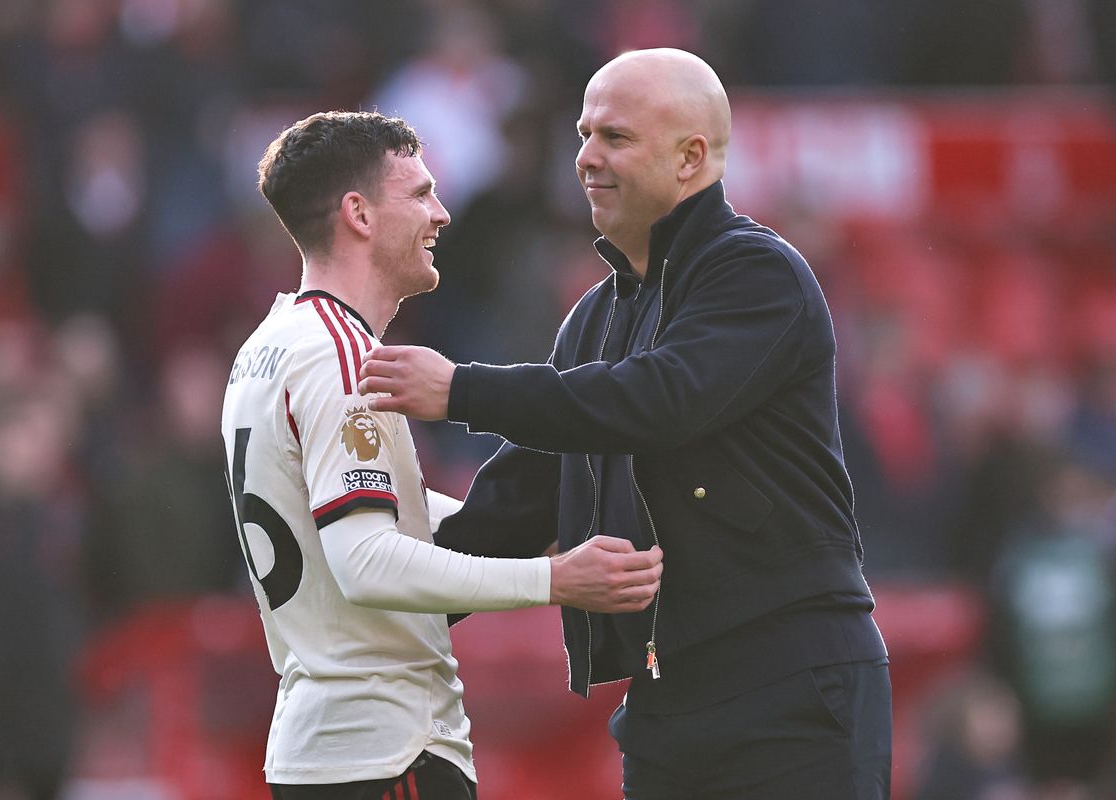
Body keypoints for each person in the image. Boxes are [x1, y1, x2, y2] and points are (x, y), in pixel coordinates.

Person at [359, 49, 892, 799]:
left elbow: (657, 401)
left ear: (691, 157)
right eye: (583, 134)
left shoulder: (758, 273)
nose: (585, 158)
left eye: (615, 137)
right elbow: (518, 503)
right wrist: (374, 615)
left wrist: (462, 390)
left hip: (791, 694)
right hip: (667, 707)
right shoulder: (597, 315)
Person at [221, 110, 663, 800]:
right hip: (386, 748)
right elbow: (366, 561)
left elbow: (370, 516)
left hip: (324, 746)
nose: (442, 213)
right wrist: (555, 580)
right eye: (421, 193)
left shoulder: (270, 345)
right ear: (359, 214)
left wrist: (530, 538)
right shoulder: (342, 356)